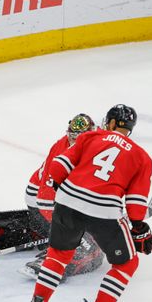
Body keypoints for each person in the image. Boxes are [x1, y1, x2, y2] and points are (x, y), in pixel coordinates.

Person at [25, 104, 152, 302]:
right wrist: (139, 229)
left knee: (58, 255)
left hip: (66, 202)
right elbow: (136, 204)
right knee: (127, 262)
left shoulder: (90, 137)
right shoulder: (141, 156)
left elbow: (58, 167)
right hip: (104, 210)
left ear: (111, 123)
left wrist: (62, 192)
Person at [21, 113, 104, 279]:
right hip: (42, 203)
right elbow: (45, 201)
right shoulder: (61, 153)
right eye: (71, 136)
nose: (74, 140)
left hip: (70, 199)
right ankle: (56, 260)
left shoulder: (101, 142)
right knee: (94, 252)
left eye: (79, 137)